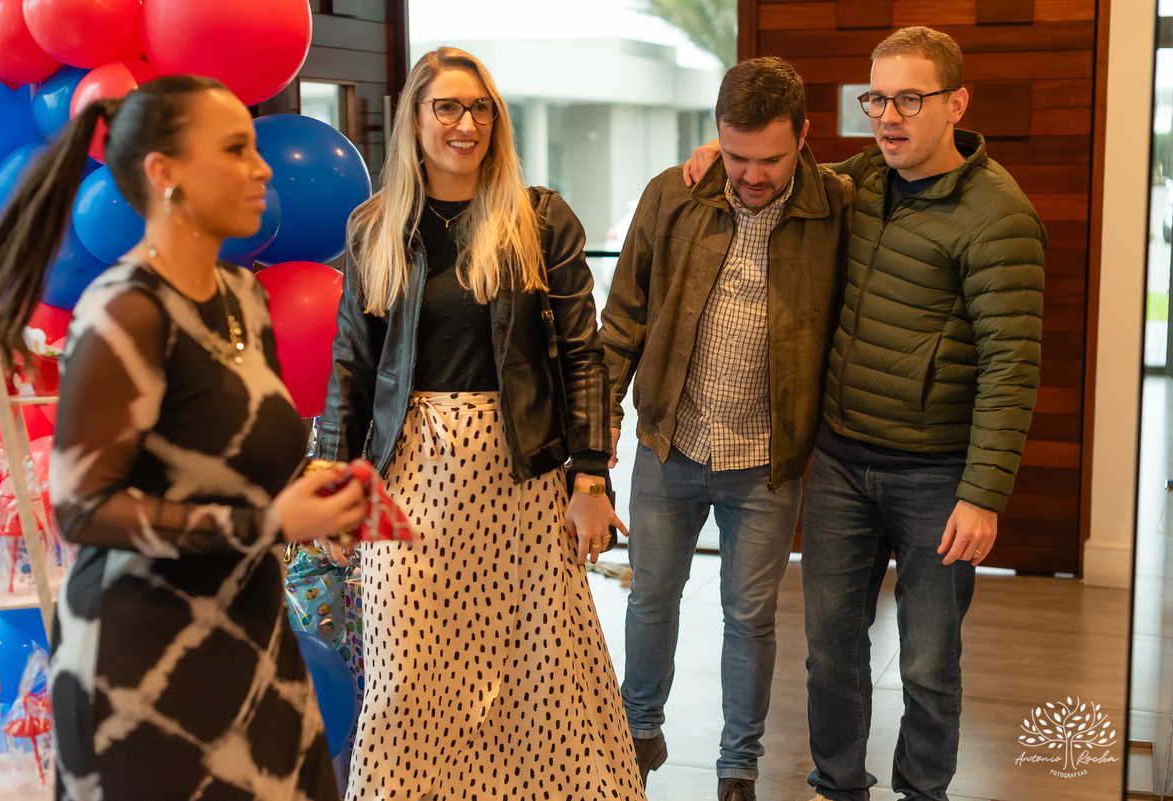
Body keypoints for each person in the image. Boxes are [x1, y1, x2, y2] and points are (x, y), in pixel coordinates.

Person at [0, 75, 373, 801]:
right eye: (236, 149)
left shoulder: (244, 298)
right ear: (165, 174)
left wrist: (319, 498)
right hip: (141, 667)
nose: (262, 168)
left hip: (251, 640)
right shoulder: (123, 309)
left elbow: (232, 464)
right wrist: (267, 522)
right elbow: (83, 508)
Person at [684, 27, 1046, 801]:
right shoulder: (864, 180)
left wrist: (983, 494)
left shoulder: (999, 215)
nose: (888, 116)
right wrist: (722, 154)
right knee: (831, 652)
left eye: (909, 99)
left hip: (937, 476)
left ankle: (923, 790)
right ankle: (839, 784)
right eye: (876, 98)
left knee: (928, 660)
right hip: (844, 461)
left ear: (957, 103)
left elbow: (1012, 366)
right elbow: (783, 168)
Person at [315, 47, 645, 800]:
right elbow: (351, 364)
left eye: (481, 109)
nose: (466, 124)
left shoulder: (540, 219)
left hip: (519, 475)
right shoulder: (375, 225)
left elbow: (583, 355)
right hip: (408, 477)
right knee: (406, 675)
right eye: (448, 107)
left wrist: (591, 480)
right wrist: (332, 478)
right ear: (415, 118)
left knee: (537, 675)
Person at [599, 57, 850, 801]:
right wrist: (599, 426)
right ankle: (637, 732)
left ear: (804, 137)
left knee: (749, 617)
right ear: (717, 134)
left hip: (767, 459)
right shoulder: (672, 194)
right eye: (736, 155)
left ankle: (738, 766)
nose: (750, 175)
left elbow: (893, 163)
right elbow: (623, 320)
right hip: (670, 443)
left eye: (770, 158)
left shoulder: (836, 206)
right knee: (651, 597)